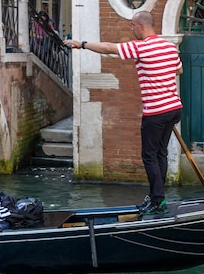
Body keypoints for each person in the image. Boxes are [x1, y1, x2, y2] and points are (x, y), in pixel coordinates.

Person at [64, 11, 183, 215]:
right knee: (160, 153)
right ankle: (157, 197)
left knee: (149, 156)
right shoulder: (170, 47)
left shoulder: (142, 47)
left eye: (132, 26)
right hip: (174, 108)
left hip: (156, 111)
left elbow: (109, 48)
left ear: (142, 26)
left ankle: (157, 200)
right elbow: (178, 70)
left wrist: (81, 44)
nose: (131, 29)